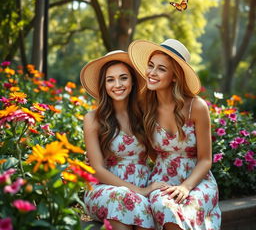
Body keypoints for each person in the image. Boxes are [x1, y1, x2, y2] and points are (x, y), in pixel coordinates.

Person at [128, 39, 221, 230]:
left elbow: (205, 159)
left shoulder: (196, 107)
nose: (152, 73)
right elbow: (149, 151)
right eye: (151, 66)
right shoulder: (145, 105)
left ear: (175, 76)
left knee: (188, 208)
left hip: (197, 181)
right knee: (164, 206)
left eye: (161, 69)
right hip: (162, 180)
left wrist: (185, 187)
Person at [80, 50, 163, 230]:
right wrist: (139, 191)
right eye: (110, 80)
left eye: (123, 78)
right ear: (104, 84)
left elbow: (158, 155)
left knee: (145, 204)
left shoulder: (143, 114)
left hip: (143, 183)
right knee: (125, 198)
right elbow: (96, 170)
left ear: (132, 81)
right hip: (106, 188)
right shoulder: (93, 118)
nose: (117, 84)